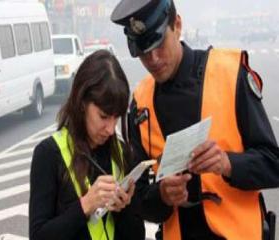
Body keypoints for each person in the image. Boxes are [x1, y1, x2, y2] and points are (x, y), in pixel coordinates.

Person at [111, 0, 279, 240]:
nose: (154, 59)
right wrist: (162, 196)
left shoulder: (230, 73)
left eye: (159, 45)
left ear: (177, 25)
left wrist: (228, 163)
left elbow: (273, 164)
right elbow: (139, 201)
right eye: (143, 53)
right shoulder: (141, 104)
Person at [29, 50, 145, 240]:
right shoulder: (48, 154)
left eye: (116, 117)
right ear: (82, 102)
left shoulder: (122, 154)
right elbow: (39, 235)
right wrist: (85, 205)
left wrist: (125, 207)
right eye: (104, 116)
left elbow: (136, 235)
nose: (110, 129)